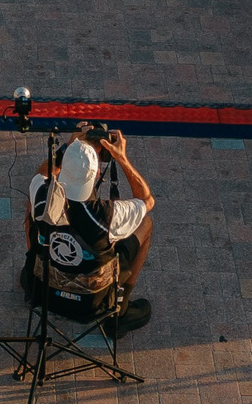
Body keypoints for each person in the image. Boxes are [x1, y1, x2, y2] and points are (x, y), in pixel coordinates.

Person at [25, 131, 155, 331]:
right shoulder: (107, 216)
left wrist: (68, 147)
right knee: (145, 224)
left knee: (32, 206)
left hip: (44, 290)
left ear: (63, 168)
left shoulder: (42, 195)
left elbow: (42, 174)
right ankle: (120, 311)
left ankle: (32, 270)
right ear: (95, 174)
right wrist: (121, 158)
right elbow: (147, 201)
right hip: (92, 302)